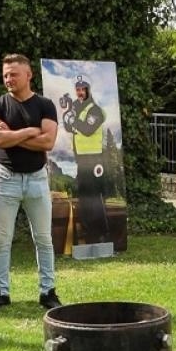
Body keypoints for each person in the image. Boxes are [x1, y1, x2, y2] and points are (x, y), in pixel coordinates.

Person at [0, 54, 61, 311]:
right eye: (5, 75)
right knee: (2, 239)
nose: (8, 79)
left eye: (14, 74)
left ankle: (48, 292)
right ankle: (0, 292)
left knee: (44, 238)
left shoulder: (45, 105)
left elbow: (48, 142)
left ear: (29, 75)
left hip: (37, 178)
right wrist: (29, 132)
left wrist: (11, 136)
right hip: (5, 178)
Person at [59, 76, 111, 245]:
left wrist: (72, 119)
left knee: (94, 195)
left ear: (88, 90)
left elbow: (88, 130)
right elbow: (68, 127)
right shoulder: (76, 107)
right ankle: (89, 231)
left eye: (83, 89)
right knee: (84, 194)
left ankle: (102, 232)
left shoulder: (95, 110)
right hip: (81, 158)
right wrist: (67, 110)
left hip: (95, 157)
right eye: (78, 89)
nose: (80, 92)